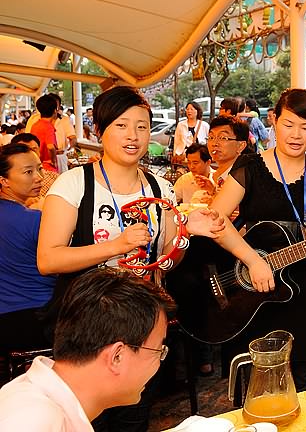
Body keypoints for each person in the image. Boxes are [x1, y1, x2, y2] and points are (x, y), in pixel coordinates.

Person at [36, 86, 223, 432]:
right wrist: (116, 245)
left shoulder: (159, 188)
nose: (133, 136)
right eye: (122, 125)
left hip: (143, 326)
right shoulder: (73, 184)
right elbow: (48, 260)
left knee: (134, 418)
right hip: (88, 325)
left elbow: (167, 258)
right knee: (83, 420)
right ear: (101, 129)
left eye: (141, 126)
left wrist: (187, 231)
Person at [206, 88, 306, 390]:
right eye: (288, 124)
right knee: (255, 381)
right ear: (274, 121)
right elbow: (216, 220)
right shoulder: (250, 167)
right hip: (255, 290)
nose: (296, 134)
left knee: (301, 380)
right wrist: (253, 260)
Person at [0, 268, 173, 431]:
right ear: (117, 357)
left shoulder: (48, 405)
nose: (158, 364)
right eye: (158, 350)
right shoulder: (33, 419)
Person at [0, 143, 52, 352]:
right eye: (28, 172)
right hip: (37, 319)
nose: (39, 177)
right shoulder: (35, 220)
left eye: (39, 169)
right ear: (4, 181)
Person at [29, 94, 60, 173]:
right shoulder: (48, 127)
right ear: (55, 110)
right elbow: (50, 147)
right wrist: (53, 161)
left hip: (36, 166)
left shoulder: (35, 126)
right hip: (47, 168)